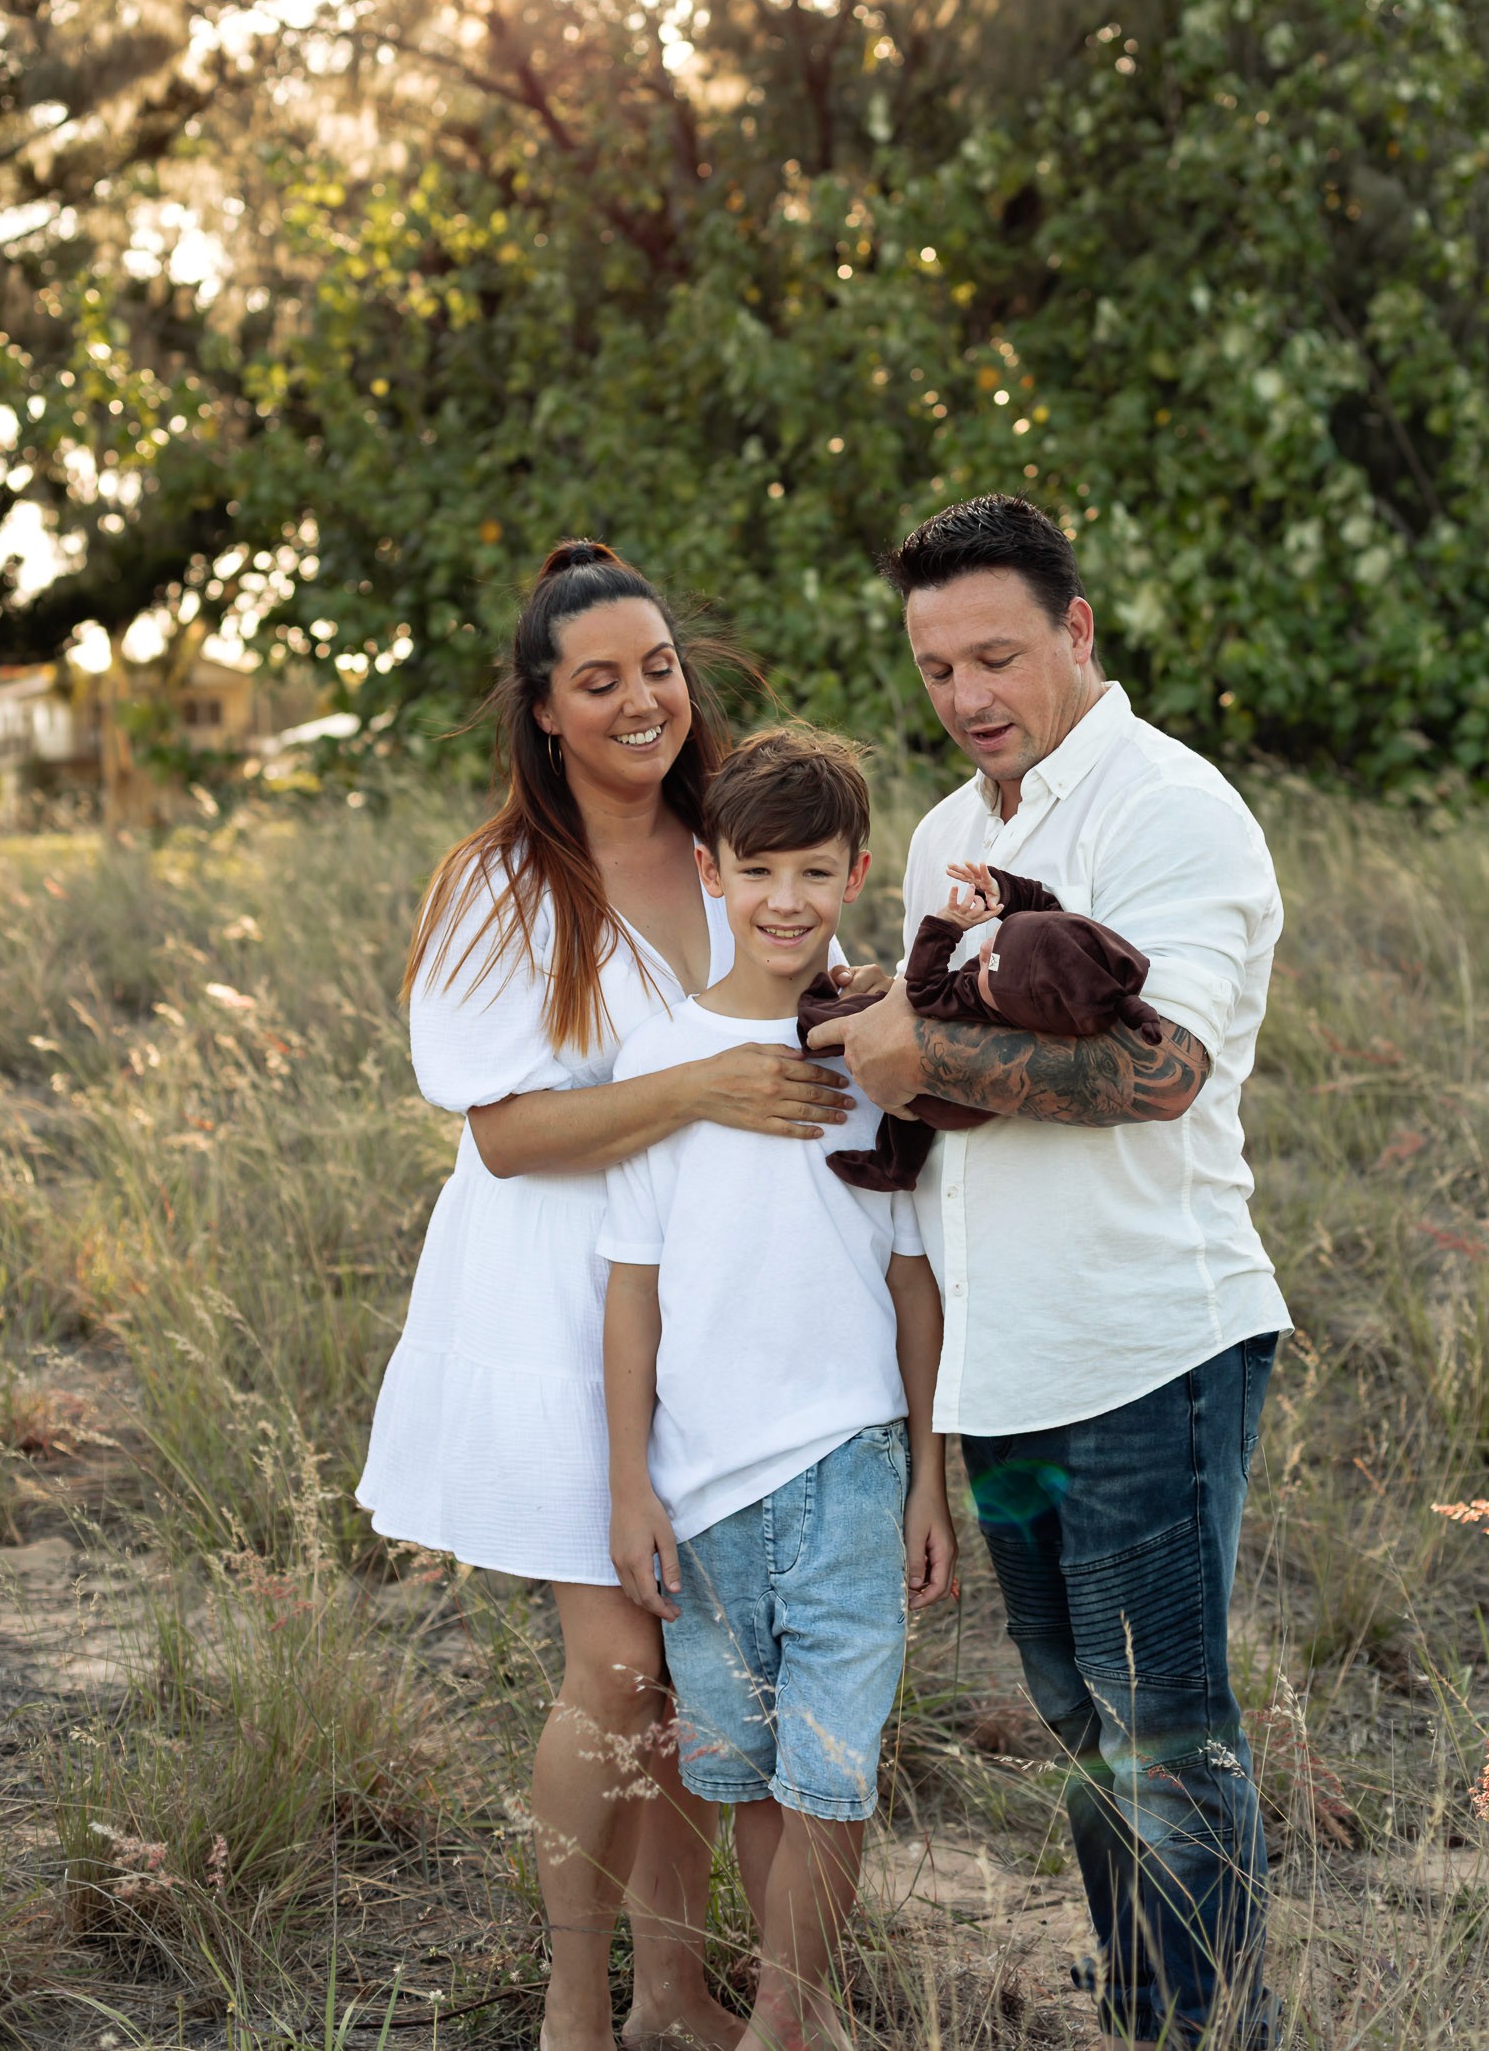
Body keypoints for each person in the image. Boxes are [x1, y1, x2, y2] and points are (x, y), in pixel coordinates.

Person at [357, 544, 860, 2051]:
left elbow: (818, 1024)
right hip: (546, 1314)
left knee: (696, 1673)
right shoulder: (504, 887)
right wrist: (697, 1082)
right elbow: (505, 1137)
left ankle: (674, 1993)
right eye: (599, 681)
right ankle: (579, 2010)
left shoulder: (738, 847)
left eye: (657, 667)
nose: (641, 699)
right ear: (543, 710)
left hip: (708, 1318)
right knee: (618, 1665)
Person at [808, 496, 1292, 2051]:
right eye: (936, 666)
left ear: (1076, 633)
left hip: (1151, 1354)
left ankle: (1202, 2029)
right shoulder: (954, 834)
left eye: (996, 655)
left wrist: (918, 1044)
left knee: (1164, 1731)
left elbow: (1158, 1072)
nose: (965, 697)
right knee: (1081, 1724)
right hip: (1003, 1370)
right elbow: (936, 1088)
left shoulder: (1170, 808)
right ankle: (1148, 2002)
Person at [598, 726, 955, 2051]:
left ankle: (786, 2017)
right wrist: (631, 1480)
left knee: (831, 1769)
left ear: (856, 870)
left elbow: (913, 1286)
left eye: (814, 870)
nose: (787, 901)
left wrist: (928, 1476)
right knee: (740, 1767)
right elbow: (628, 1289)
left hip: (852, 1462)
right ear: (709, 871)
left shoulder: (875, 1057)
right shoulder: (657, 1058)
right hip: (699, 1479)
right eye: (758, 872)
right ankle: (790, 2015)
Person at [795, 856, 1159, 1191]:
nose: (984, 950)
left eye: (992, 964)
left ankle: (813, 1018)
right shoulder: (1052, 995)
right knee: (908, 1124)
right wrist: (1004, 890)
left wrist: (946, 928)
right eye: (999, 938)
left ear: (1010, 1000)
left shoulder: (976, 1003)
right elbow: (1047, 914)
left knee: (866, 1013)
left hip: (945, 1100)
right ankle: (896, 1169)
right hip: (962, 1100)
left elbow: (921, 989)